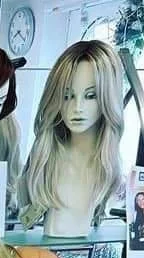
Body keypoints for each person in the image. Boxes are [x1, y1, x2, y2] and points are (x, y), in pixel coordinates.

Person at [19, 40, 123, 237]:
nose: (77, 108)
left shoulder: (111, 171)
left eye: (90, 96)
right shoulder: (45, 160)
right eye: (67, 96)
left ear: (107, 98)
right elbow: (22, 217)